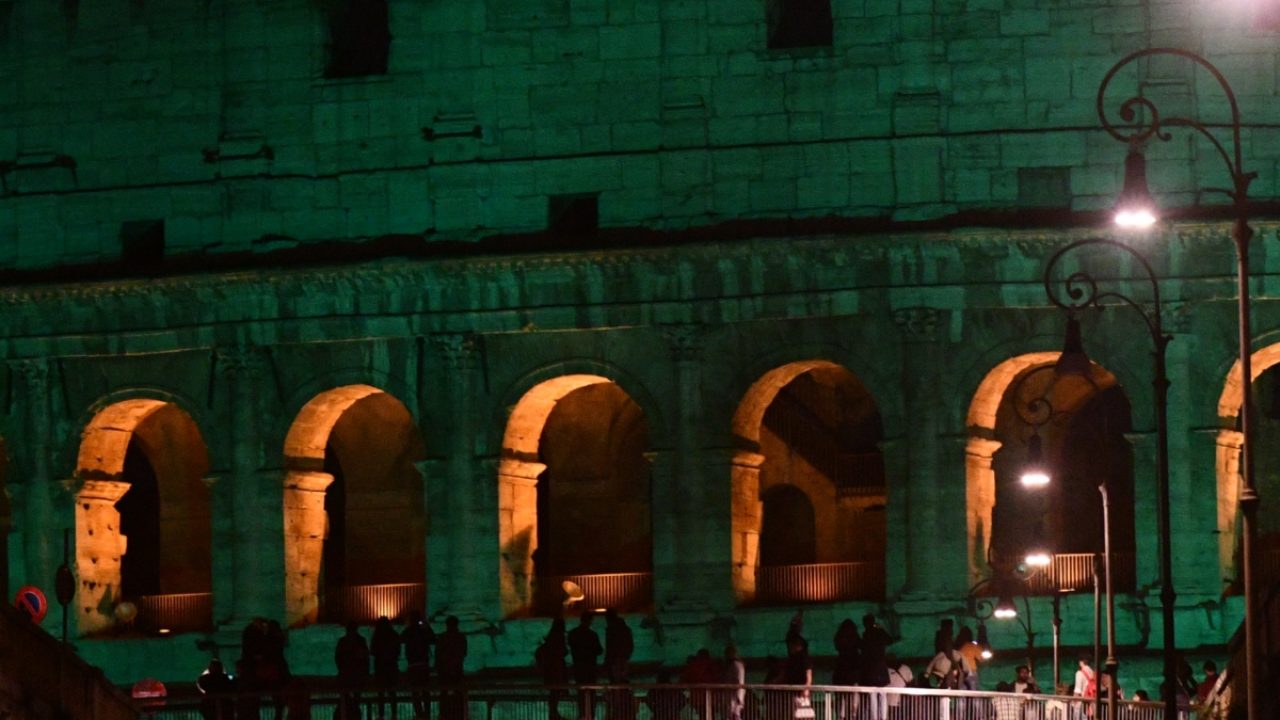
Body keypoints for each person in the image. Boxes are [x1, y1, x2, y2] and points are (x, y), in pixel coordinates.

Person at [568, 612, 603, 719]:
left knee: (581, 692)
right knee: (591, 692)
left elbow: (572, 647)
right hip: (590, 668)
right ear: (589, 621)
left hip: (579, 667)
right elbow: (599, 650)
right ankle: (591, 714)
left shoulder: (573, 634)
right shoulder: (592, 635)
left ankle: (582, 714)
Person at [402, 611, 435, 720]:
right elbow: (433, 639)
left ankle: (419, 713)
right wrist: (427, 626)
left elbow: (401, 639)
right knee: (426, 691)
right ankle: (427, 713)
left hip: (412, 664)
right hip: (423, 664)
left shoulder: (408, 631)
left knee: (415, 691)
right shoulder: (424, 631)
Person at [860, 614, 892, 720]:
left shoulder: (866, 635)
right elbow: (890, 640)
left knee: (872, 694)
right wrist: (881, 628)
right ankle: (883, 717)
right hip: (881, 667)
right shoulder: (880, 632)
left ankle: (874, 717)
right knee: (883, 694)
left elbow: (863, 651)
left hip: (870, 668)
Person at [336, 623, 370, 720]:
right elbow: (365, 658)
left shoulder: (342, 642)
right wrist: (365, 673)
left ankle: (347, 715)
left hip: (345, 675)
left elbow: (338, 658)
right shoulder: (361, 641)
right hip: (358, 676)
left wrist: (341, 669)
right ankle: (355, 715)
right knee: (356, 700)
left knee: (344, 700)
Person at [536, 617, 569, 720]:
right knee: (556, 691)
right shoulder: (559, 636)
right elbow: (563, 651)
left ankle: (553, 713)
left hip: (550, 669)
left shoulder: (551, 636)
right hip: (557, 668)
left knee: (553, 692)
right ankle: (554, 714)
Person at [436, 616, 468, 720]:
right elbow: (464, 653)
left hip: (444, 671)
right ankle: (458, 714)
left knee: (444, 694)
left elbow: (438, 654)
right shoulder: (461, 637)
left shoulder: (442, 638)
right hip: (457, 669)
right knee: (458, 694)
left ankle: (444, 714)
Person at [371, 616, 401, 720]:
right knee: (392, 693)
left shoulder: (377, 636)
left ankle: (381, 715)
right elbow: (398, 651)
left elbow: (372, 651)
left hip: (380, 668)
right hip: (392, 667)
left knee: (381, 694)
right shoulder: (394, 635)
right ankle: (394, 714)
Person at [832, 619, 861, 720]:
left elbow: (837, 645)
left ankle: (840, 716)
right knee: (850, 698)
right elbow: (860, 646)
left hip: (840, 671)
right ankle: (850, 716)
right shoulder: (854, 638)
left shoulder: (839, 638)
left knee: (839, 697)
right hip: (852, 672)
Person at [604, 609, 634, 683]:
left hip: (614, 659)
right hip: (624, 657)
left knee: (615, 680)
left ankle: (617, 693)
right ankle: (624, 693)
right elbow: (630, 645)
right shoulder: (626, 629)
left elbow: (610, 646)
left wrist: (607, 659)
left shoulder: (611, 629)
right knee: (622, 678)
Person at [886, 656, 914, 720]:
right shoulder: (905, 668)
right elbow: (912, 682)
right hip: (901, 702)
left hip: (888, 702)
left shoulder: (886, 670)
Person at [724, 645, 746, 720]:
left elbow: (740, 680)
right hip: (732, 693)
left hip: (735, 694)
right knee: (732, 714)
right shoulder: (732, 665)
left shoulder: (736, 664)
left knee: (735, 714)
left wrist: (739, 696)